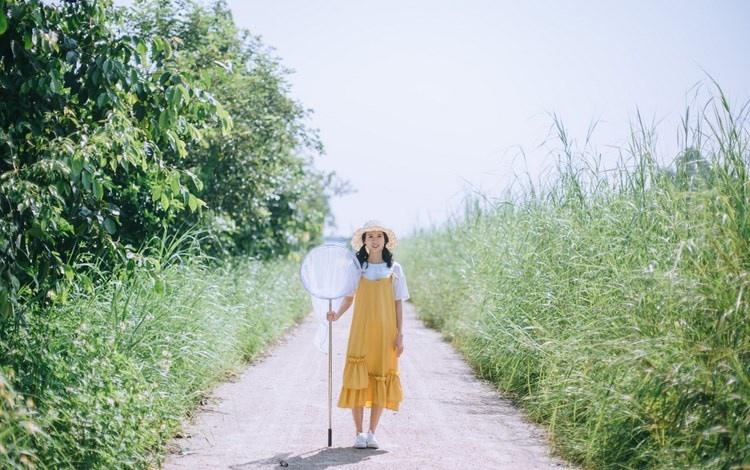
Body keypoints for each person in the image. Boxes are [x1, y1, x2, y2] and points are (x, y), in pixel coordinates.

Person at [326, 220, 409, 449]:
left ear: (385, 241)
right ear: (364, 242)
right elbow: (349, 297)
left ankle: (372, 432)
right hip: (361, 330)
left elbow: (398, 304)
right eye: (369, 237)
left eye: (378, 236)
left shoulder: (395, 269)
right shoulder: (357, 268)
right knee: (358, 378)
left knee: (381, 375)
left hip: (385, 333)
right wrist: (337, 315)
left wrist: (400, 334)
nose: (374, 240)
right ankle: (359, 433)